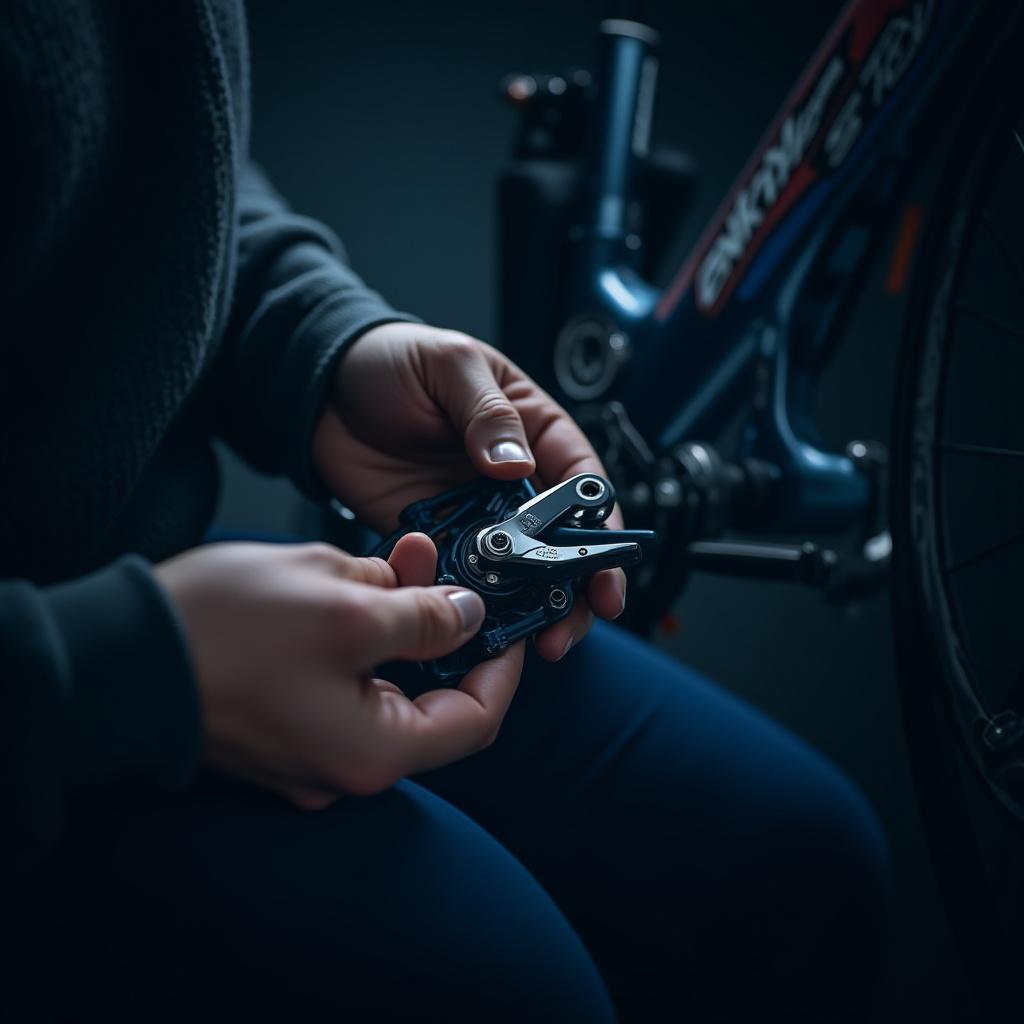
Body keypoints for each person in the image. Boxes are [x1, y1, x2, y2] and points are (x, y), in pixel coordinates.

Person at [1, 2, 888, 1020]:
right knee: (516, 996)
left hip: (170, 600)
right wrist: (116, 672)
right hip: (63, 701)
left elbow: (135, 136)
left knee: (804, 869)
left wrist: (320, 345)